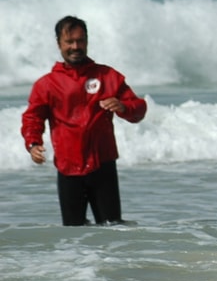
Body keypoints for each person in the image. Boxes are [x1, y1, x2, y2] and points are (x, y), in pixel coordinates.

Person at [21, 16, 148, 226]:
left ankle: (114, 261)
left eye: (80, 41)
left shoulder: (108, 76)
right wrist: (33, 143)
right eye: (69, 42)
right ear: (59, 44)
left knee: (113, 229)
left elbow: (139, 108)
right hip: (68, 168)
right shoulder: (47, 84)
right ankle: (83, 262)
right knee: (74, 235)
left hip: (103, 165)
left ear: (87, 41)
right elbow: (32, 117)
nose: (75, 47)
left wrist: (124, 107)